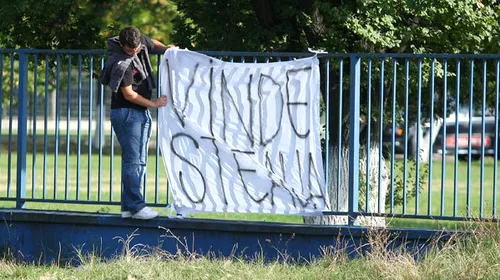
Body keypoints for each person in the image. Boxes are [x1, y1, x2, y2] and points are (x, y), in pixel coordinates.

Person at [100, 26, 172, 219]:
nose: (134, 52)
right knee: (134, 162)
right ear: (121, 45)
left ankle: (128, 208)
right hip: (127, 114)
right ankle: (136, 207)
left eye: (137, 48)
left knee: (137, 161)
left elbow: (152, 43)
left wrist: (167, 49)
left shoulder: (140, 43)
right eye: (130, 50)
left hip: (137, 113)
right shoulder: (121, 62)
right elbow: (129, 94)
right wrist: (153, 104)